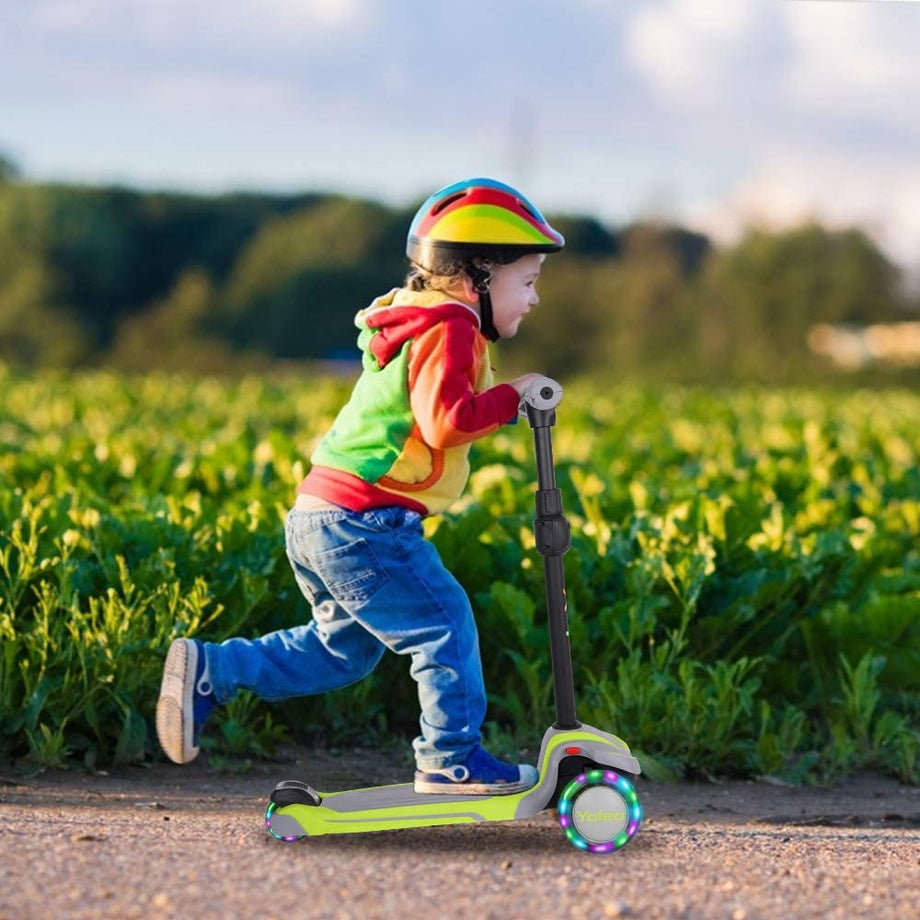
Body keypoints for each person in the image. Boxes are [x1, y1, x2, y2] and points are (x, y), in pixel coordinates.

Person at [156, 177, 565, 794]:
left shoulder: (417, 319)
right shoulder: (450, 323)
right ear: (477, 274)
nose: (534, 299)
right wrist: (511, 396)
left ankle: (213, 669)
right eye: (527, 281)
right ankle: (451, 759)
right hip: (365, 521)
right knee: (445, 624)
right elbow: (447, 421)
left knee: (340, 652)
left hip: (321, 514)